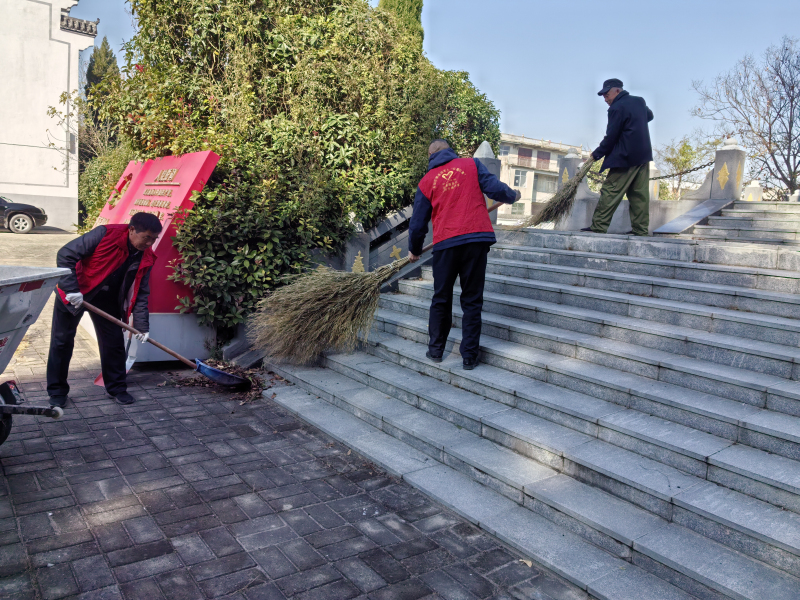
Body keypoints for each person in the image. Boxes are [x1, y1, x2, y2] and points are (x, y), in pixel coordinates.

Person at [408, 139, 520, 370]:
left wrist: (415, 250)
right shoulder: (471, 165)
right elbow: (496, 189)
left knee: (441, 298)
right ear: (450, 150)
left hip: (446, 243)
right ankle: (469, 356)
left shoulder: (427, 181)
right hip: (476, 240)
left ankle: (436, 350)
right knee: (471, 299)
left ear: (431, 155)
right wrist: (513, 195)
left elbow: (418, 223)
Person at [47, 212, 162, 407]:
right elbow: (66, 254)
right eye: (146, 238)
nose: (149, 243)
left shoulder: (147, 256)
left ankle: (117, 388)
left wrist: (142, 326)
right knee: (62, 342)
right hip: (76, 292)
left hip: (108, 299)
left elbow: (141, 292)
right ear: (132, 230)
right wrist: (72, 289)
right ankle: (57, 392)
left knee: (114, 343)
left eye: (154, 239)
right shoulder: (105, 234)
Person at [582, 78, 654, 236]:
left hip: (624, 157)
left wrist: (596, 154)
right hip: (643, 156)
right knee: (639, 194)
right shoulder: (639, 101)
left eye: (607, 95)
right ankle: (640, 230)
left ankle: (599, 226)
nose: (606, 99)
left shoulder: (616, 107)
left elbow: (611, 136)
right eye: (603, 97)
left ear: (617, 91)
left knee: (610, 191)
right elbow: (649, 116)